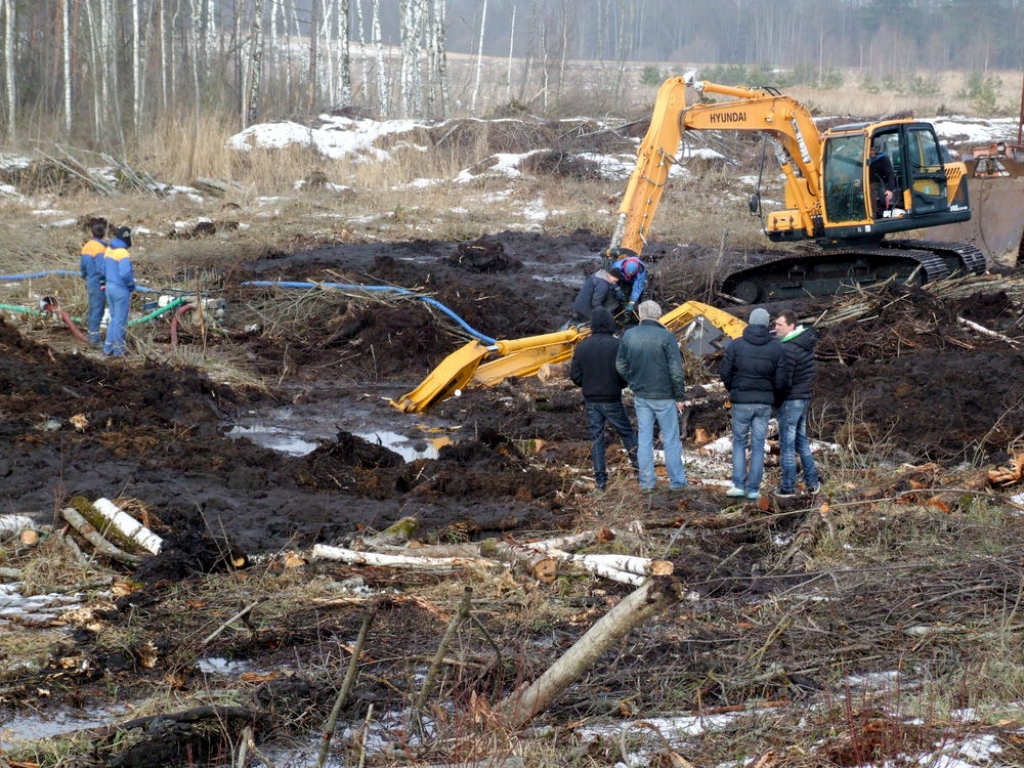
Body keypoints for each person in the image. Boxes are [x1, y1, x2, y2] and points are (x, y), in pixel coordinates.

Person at [615, 300, 687, 492]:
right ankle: (677, 483)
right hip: (664, 395)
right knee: (671, 439)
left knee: (644, 439)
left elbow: (620, 365)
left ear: (640, 315)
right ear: (659, 314)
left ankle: (647, 483)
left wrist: (633, 381)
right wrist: (680, 396)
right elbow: (676, 371)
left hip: (641, 395)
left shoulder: (629, 335)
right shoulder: (666, 336)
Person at [720, 307, 789, 501]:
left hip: (741, 402)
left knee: (739, 443)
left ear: (749, 322)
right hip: (763, 403)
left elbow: (725, 372)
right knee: (759, 445)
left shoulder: (736, 345)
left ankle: (738, 486)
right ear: (767, 324)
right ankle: (753, 489)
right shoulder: (777, 348)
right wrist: (774, 398)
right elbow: (782, 380)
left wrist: (733, 389)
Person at [569, 307, 640, 492]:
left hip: (591, 399)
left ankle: (600, 480)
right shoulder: (617, 345)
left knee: (597, 438)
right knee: (627, 433)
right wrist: (619, 385)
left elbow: (574, 375)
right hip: (612, 397)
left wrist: (587, 384)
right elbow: (626, 372)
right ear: (610, 322)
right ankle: (641, 473)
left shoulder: (583, 345)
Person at [773, 311, 822, 497]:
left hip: (790, 401)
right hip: (803, 398)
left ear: (791, 326)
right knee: (801, 442)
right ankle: (813, 483)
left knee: (787, 445)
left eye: (779, 324)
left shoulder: (788, 349)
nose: (775, 328)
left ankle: (788, 487)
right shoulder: (804, 343)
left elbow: (784, 381)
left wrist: (776, 400)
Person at [103, 226, 135, 356]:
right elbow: (125, 273)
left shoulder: (109, 250)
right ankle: (119, 352)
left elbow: (103, 268)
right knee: (120, 322)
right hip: (120, 290)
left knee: (114, 319)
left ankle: (107, 348)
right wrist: (131, 285)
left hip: (109, 287)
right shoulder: (123, 253)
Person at [79, 221, 108, 346]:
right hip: (98, 283)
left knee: (92, 309)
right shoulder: (101, 248)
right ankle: (95, 340)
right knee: (98, 310)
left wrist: (84, 276)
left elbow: (82, 267)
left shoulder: (86, 247)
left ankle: (91, 334)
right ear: (103, 235)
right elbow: (102, 269)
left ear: (91, 234)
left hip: (90, 281)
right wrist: (103, 281)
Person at [868, 140, 897, 217]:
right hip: (866, 182)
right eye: (869, 149)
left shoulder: (883, 159)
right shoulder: (867, 160)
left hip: (878, 183)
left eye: (872, 150)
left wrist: (890, 190)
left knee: (871, 189)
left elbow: (890, 174)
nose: (871, 152)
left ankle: (873, 212)